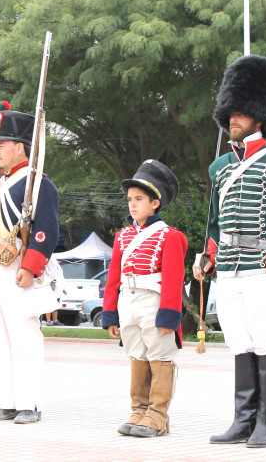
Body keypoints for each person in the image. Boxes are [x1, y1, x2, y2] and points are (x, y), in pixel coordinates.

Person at [193, 55, 266, 448]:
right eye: (231, 112)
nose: (233, 119)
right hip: (229, 267)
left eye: (242, 113)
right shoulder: (220, 167)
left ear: (260, 117)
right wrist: (207, 254)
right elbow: (214, 222)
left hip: (264, 267)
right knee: (239, 340)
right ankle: (243, 418)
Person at [0, 102, 59, 425]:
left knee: (25, 334)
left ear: (20, 147)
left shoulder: (39, 183)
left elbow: (46, 231)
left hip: (21, 264)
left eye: (1, 145)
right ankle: (8, 400)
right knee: (5, 337)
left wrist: (31, 267)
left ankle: (29, 402)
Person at [102, 159, 187, 438]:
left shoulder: (170, 236)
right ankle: (139, 410)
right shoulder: (122, 237)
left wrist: (169, 316)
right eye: (130, 199)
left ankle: (158, 415)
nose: (132, 204)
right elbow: (113, 278)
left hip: (154, 300)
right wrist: (110, 314)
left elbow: (174, 280)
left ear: (155, 203)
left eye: (139, 199)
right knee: (136, 353)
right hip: (127, 300)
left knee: (160, 354)